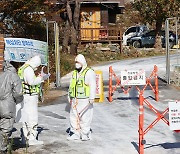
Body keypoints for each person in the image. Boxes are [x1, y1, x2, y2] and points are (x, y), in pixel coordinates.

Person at [17, 55, 49, 146]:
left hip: (24, 96)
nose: (37, 68)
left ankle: (25, 138)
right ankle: (32, 138)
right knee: (32, 117)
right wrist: (41, 78)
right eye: (37, 66)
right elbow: (31, 82)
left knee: (25, 117)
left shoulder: (23, 68)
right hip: (30, 97)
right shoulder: (29, 69)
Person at [67, 54, 96, 141]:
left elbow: (93, 85)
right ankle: (75, 133)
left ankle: (85, 133)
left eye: (78, 62)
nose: (76, 64)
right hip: (75, 99)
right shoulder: (75, 73)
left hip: (85, 99)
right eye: (75, 62)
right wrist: (69, 96)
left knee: (85, 117)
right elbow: (71, 85)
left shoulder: (89, 72)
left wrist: (92, 97)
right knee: (73, 116)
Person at [0, 61, 23, 153]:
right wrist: (18, 102)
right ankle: (2, 149)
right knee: (6, 128)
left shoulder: (1, 75)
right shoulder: (14, 76)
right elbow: (18, 93)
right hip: (8, 105)